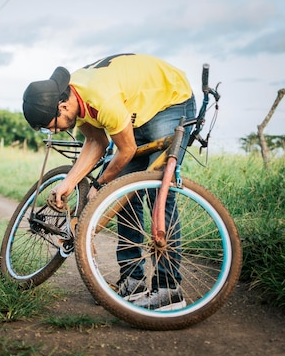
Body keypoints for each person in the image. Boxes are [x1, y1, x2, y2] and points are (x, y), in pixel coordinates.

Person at [22, 53, 195, 310]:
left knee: (158, 192)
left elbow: (125, 151)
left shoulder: (100, 99)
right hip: (136, 110)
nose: (55, 132)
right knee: (122, 196)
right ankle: (133, 281)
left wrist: (99, 185)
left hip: (169, 101)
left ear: (62, 107)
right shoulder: (74, 99)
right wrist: (68, 183)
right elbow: (97, 142)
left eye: (52, 126)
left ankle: (169, 289)